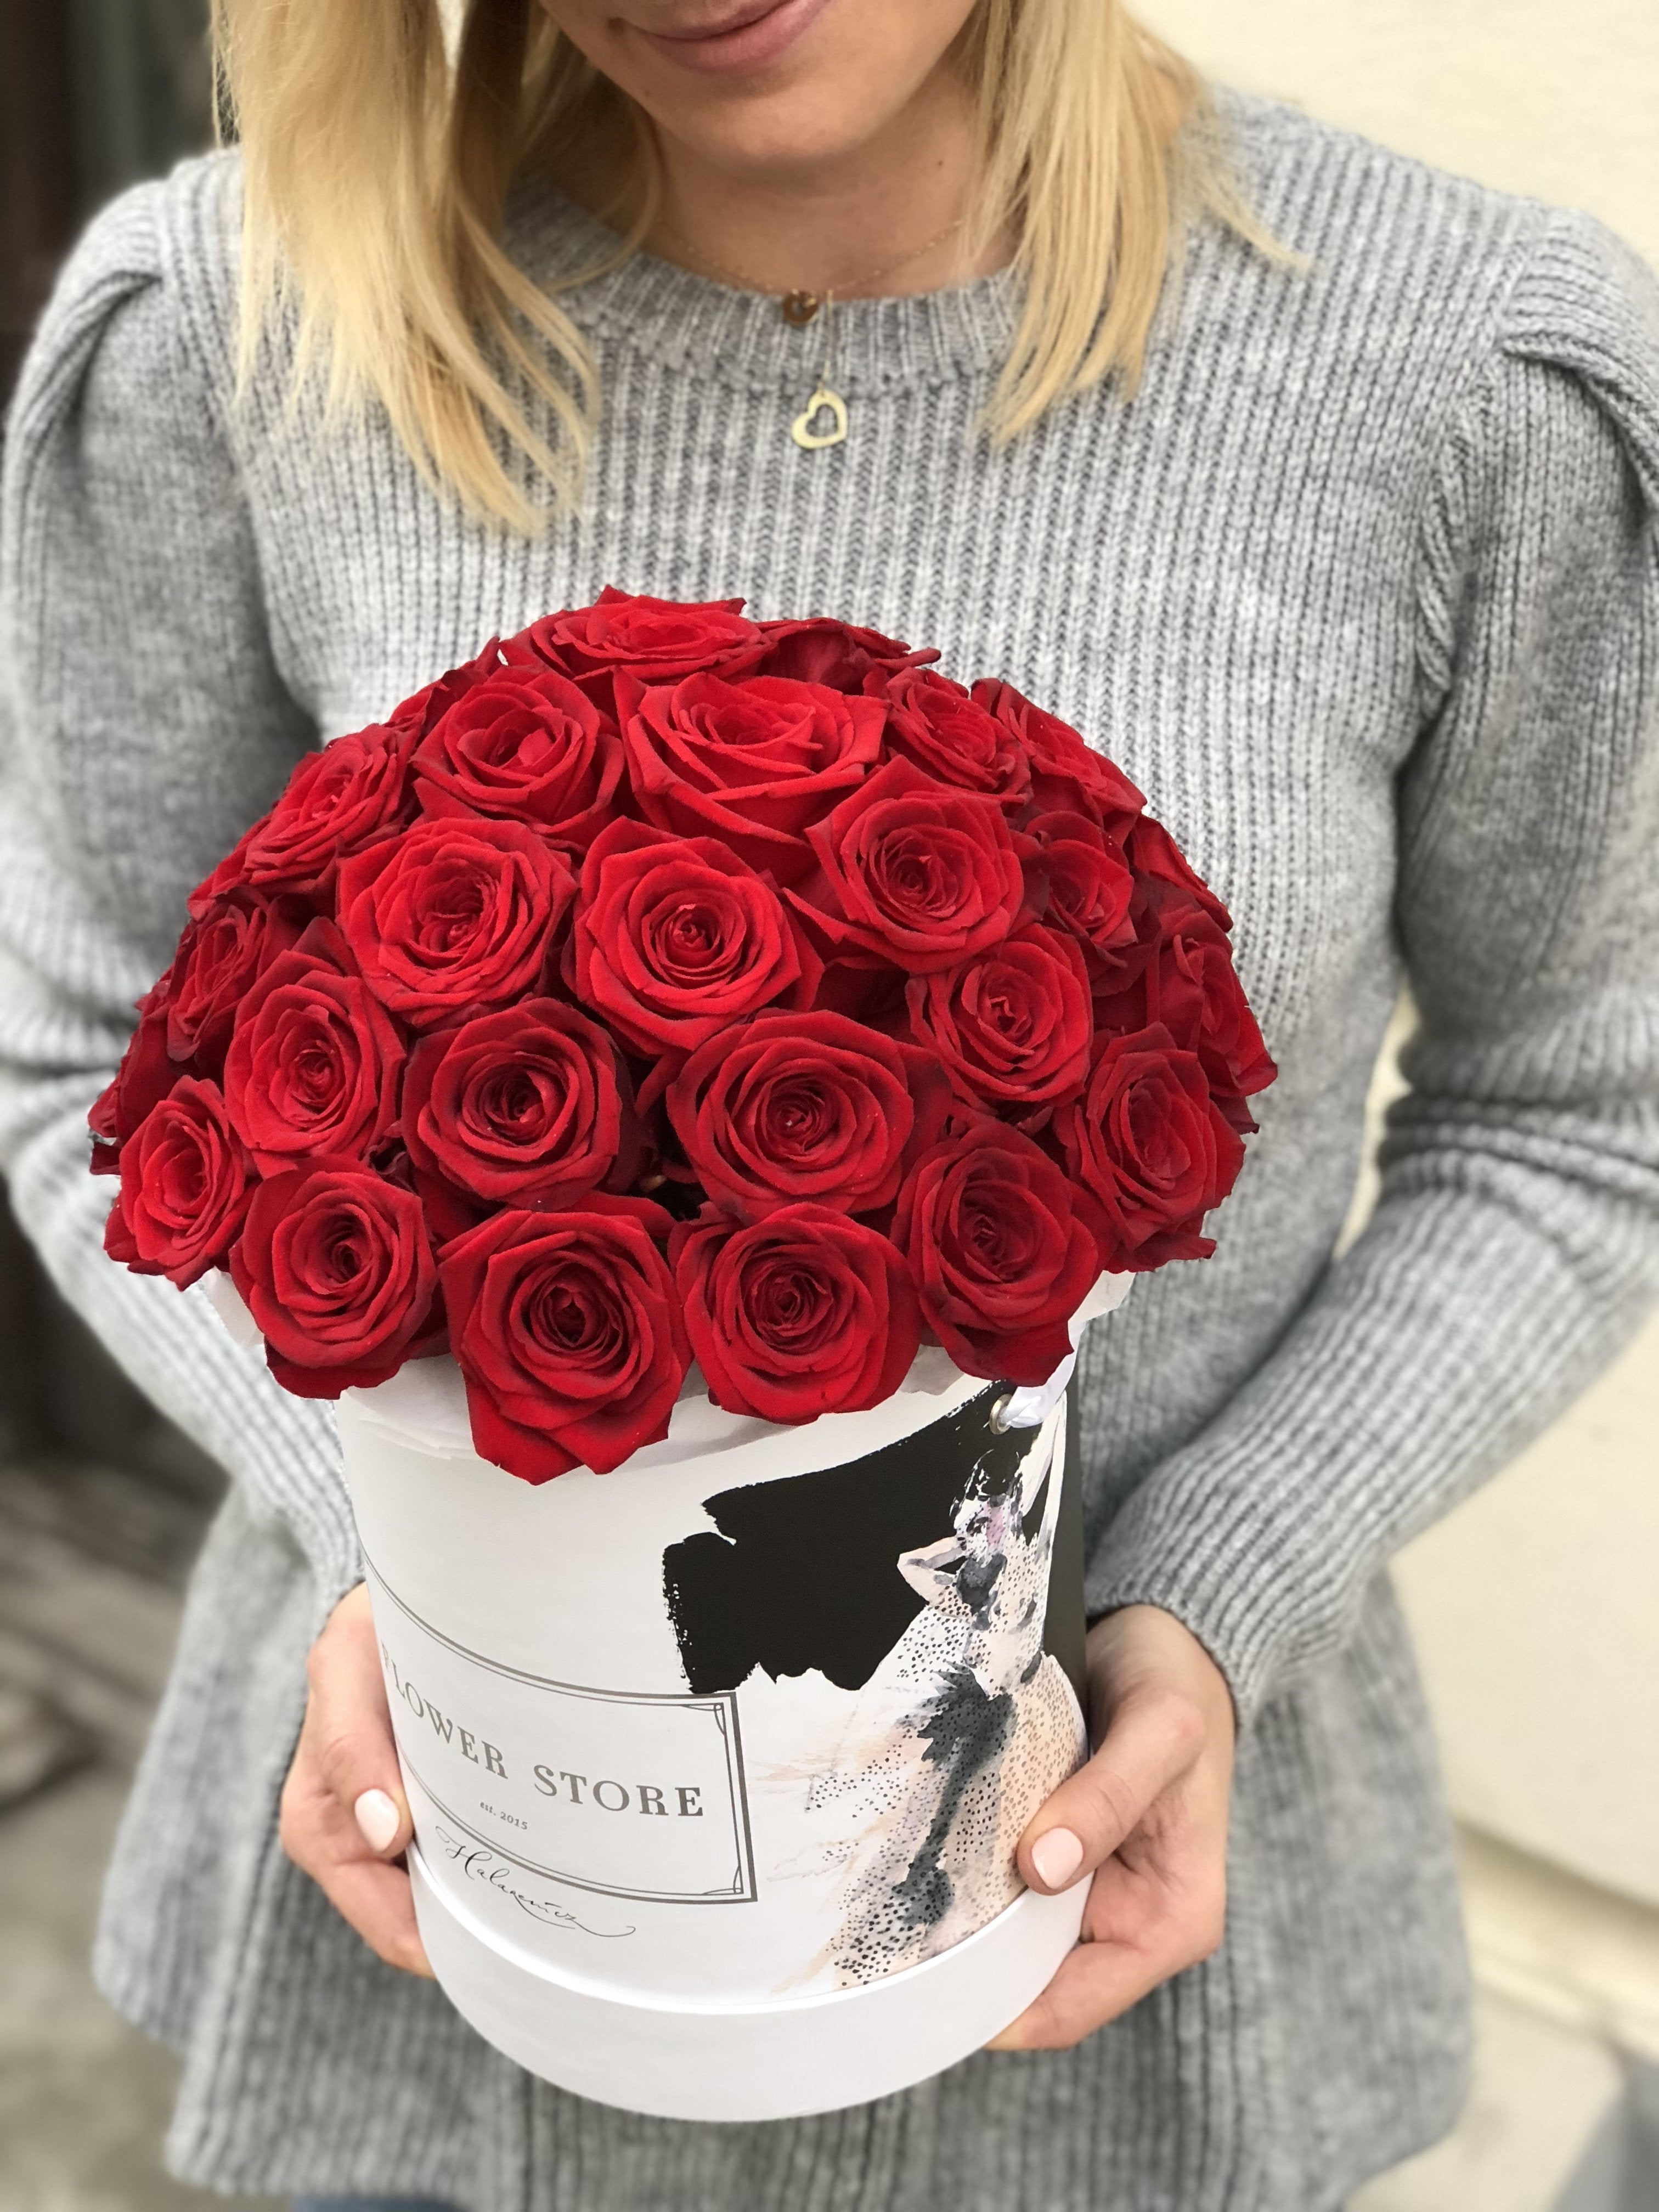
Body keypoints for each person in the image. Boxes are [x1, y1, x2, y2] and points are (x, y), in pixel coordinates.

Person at [1, 0, 1656, 2206]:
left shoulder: (1466, 376)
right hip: (458, 1904)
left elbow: (1576, 1116)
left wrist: (1205, 1596)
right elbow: (82, 1049)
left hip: (1097, 1947)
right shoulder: (238, 325)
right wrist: (399, 1526)